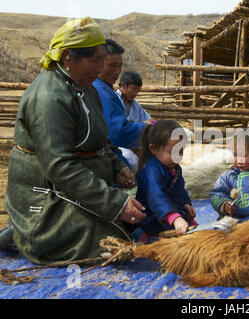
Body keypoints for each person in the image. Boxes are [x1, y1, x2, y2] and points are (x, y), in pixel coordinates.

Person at [0, 17, 147, 264]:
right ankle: (27, 233)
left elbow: (102, 140)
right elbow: (59, 167)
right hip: (46, 194)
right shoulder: (49, 97)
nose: (101, 68)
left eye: (103, 59)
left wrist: (117, 165)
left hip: (78, 187)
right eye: (95, 60)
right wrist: (115, 203)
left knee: (140, 211)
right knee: (109, 240)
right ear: (68, 58)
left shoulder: (86, 87)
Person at [132, 120, 198, 240]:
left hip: (173, 213)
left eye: (181, 151)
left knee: (197, 232)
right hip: (153, 218)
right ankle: (144, 235)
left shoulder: (174, 167)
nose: (178, 156)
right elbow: (156, 197)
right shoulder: (150, 170)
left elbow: (179, 190)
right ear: (153, 148)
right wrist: (175, 218)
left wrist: (186, 204)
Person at [93, 39, 147, 167]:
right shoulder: (102, 92)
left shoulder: (134, 105)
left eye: (120, 66)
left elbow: (147, 119)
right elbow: (118, 133)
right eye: (112, 65)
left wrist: (151, 124)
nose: (118, 71)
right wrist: (148, 129)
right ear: (98, 62)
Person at [115, 71, 153, 168]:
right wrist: (142, 125)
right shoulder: (113, 101)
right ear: (123, 86)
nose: (136, 93)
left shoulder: (135, 106)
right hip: (116, 145)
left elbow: (151, 120)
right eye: (134, 89)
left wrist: (152, 123)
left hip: (133, 143)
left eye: (138, 90)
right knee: (130, 159)